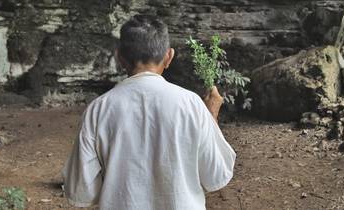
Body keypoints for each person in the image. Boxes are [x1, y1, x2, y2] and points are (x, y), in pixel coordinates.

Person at [62, 15, 236, 210]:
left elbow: (81, 191)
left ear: (120, 57)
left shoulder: (98, 109)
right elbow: (215, 176)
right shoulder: (191, 104)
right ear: (169, 57)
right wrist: (211, 117)